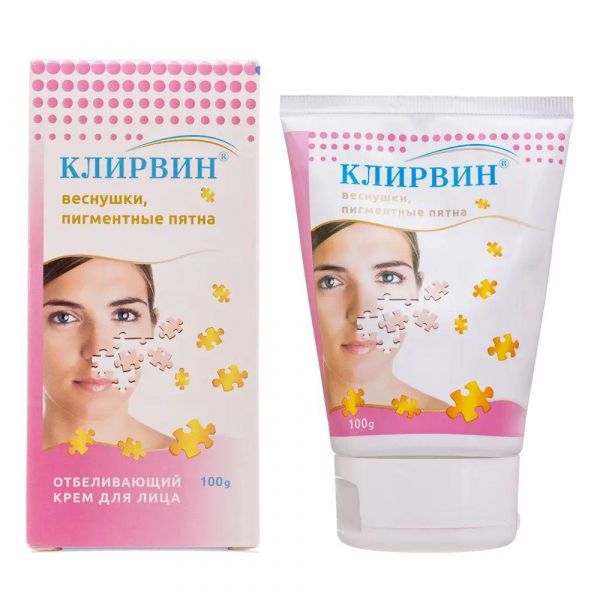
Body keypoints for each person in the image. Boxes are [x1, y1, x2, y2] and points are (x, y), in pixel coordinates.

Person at [312, 221, 447, 410]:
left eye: (388, 277)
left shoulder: (450, 421)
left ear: (418, 288)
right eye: (330, 281)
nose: (362, 315)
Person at [43, 256, 173, 449]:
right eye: (63, 318)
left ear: (153, 327)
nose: (98, 352)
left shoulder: (193, 464)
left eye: (124, 315)